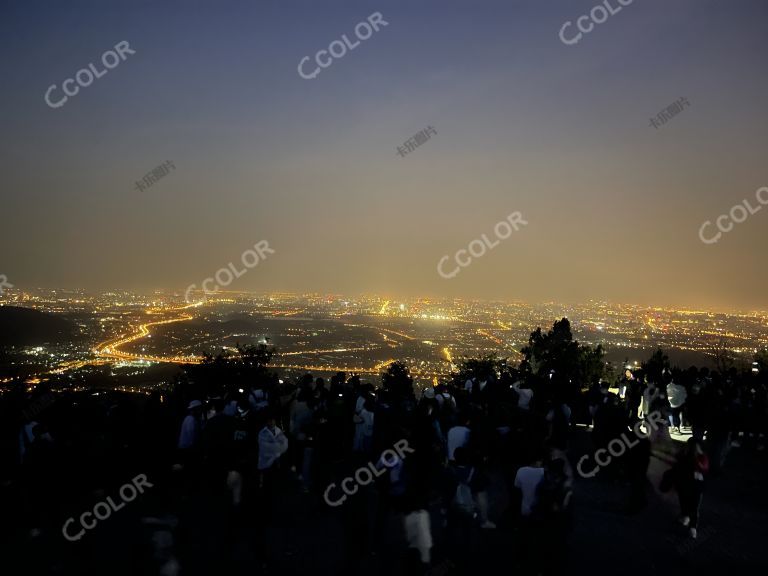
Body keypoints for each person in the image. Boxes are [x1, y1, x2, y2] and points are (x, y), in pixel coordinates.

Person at [674, 439, 709, 538]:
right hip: (684, 483)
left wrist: (695, 458)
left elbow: (704, 469)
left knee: (694, 506)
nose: (692, 448)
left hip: (696, 485)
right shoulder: (684, 455)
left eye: (694, 446)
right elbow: (678, 463)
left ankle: (693, 527)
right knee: (684, 501)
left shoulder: (702, 457)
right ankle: (685, 516)